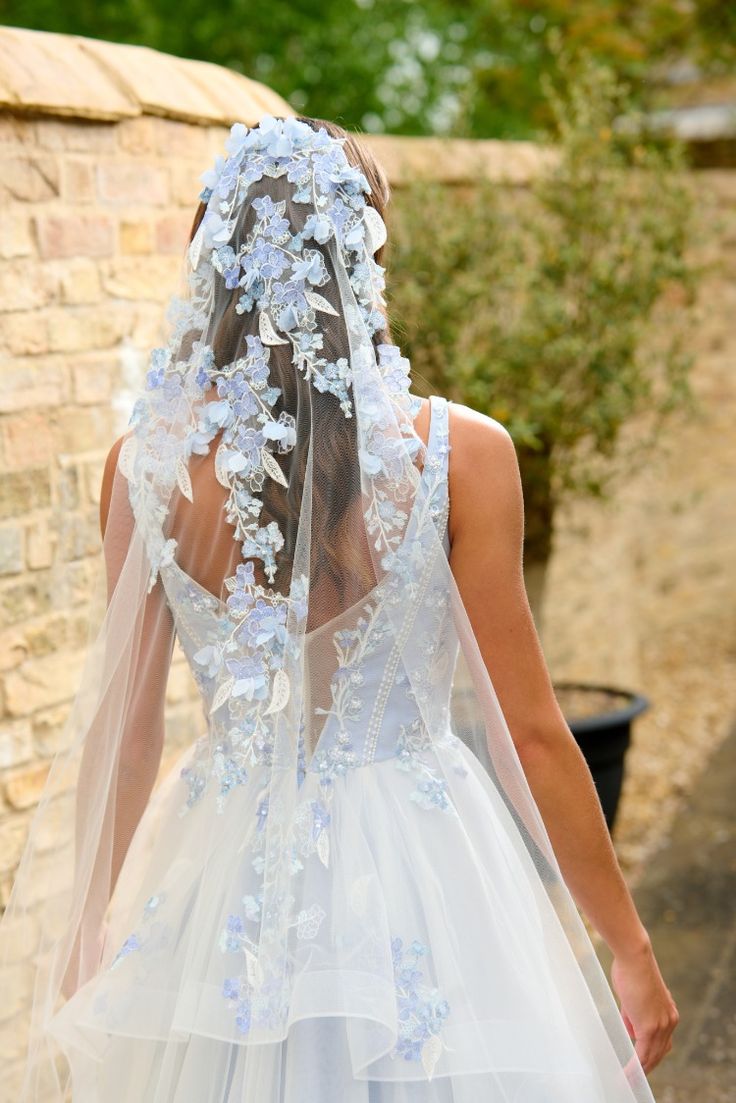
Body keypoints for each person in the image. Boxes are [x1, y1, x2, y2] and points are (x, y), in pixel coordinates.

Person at [0, 113, 677, 1102]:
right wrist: (628, 942)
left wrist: (88, 926)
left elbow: (124, 725)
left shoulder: (142, 465)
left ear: (217, 265)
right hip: (424, 871)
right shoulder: (461, 454)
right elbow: (529, 733)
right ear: (366, 258)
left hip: (224, 875)